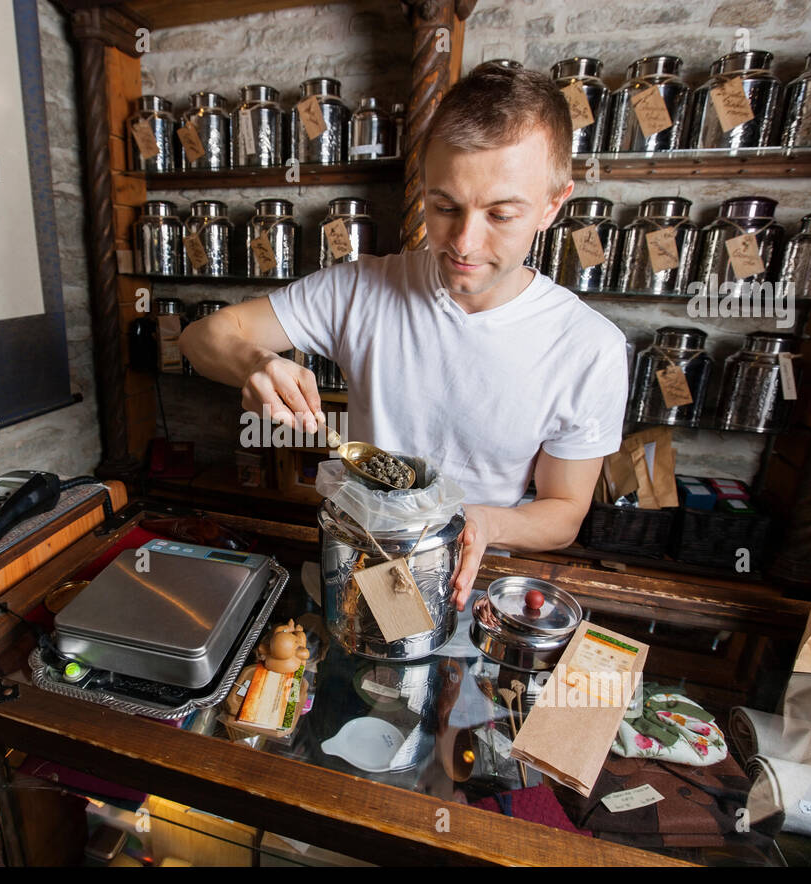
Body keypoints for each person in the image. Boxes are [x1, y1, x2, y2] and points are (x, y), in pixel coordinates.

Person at [180, 66, 628, 611]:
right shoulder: (363, 287)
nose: (464, 241)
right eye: (444, 207)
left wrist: (481, 521)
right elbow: (203, 338)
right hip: (352, 570)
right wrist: (252, 363)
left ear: (553, 205)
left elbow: (564, 511)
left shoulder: (588, 347)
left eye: (501, 214)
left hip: (467, 589)